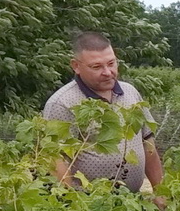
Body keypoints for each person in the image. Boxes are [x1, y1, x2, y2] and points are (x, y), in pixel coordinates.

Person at [43, 31, 164, 196]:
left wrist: (160, 192)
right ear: (76, 66)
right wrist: (69, 204)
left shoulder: (131, 93)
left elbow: (148, 143)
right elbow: (56, 159)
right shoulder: (63, 103)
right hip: (87, 205)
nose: (107, 72)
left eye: (111, 63)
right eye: (97, 67)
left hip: (131, 203)